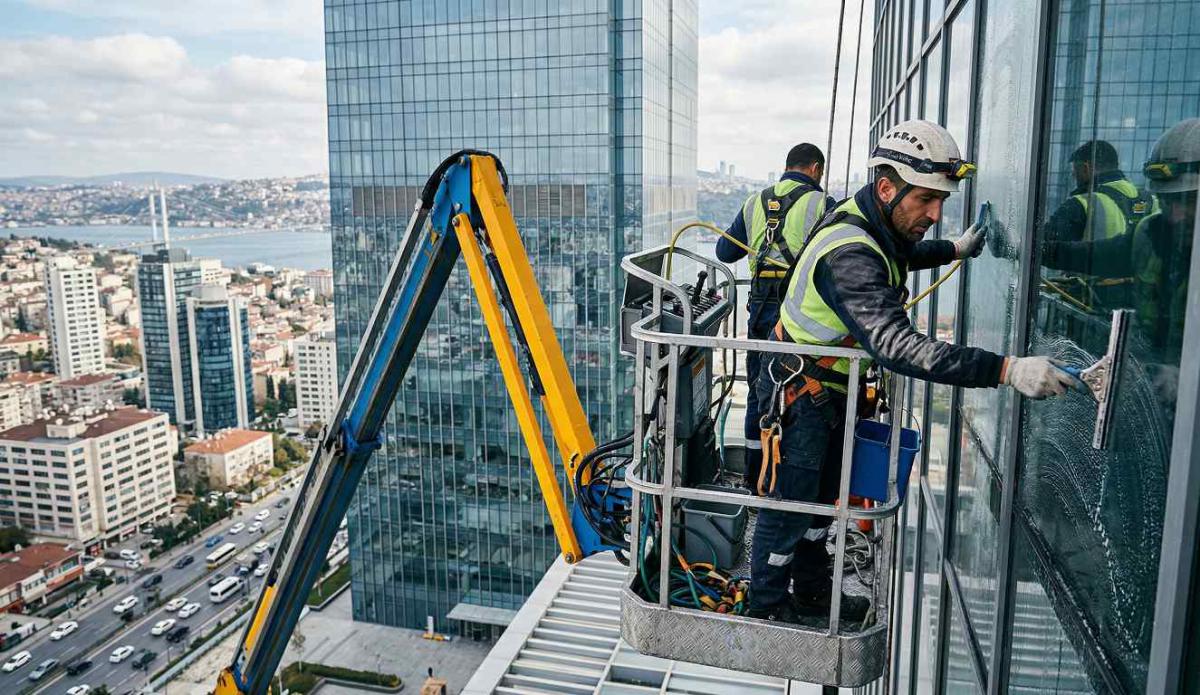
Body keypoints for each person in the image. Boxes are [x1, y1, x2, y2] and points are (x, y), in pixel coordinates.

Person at [748, 119, 1079, 624]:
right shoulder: (850, 254)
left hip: (823, 392)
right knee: (791, 506)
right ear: (887, 187)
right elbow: (897, 346)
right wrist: (1006, 369)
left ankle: (812, 592)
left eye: (941, 200)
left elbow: (900, 250)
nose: (935, 212)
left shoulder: (870, 219)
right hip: (803, 395)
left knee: (820, 503)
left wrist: (953, 249)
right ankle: (768, 606)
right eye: (926, 199)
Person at [1041, 118, 1199, 395]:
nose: (1174, 215)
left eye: (1187, 201)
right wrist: (1025, 248)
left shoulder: (1086, 203)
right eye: (1167, 202)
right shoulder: (1151, 236)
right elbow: (1085, 255)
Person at [715, 143, 833, 491]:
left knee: (758, 391)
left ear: (787, 167)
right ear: (815, 169)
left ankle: (756, 479)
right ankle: (788, 480)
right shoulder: (822, 204)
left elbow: (725, 251)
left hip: (760, 311)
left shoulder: (755, 202)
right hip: (798, 313)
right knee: (799, 390)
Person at [1041, 140, 1158, 309]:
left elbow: (1042, 245)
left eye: (1075, 171)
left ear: (1086, 168)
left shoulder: (1081, 204)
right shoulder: (1152, 202)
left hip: (1092, 309)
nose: (1074, 177)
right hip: (1144, 307)